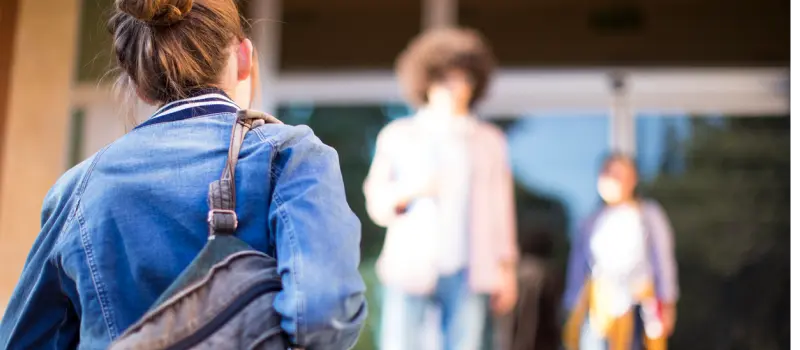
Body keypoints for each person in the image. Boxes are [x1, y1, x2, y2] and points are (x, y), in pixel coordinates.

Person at [0, 0, 366, 349]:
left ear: (137, 82)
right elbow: (321, 313)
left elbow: (23, 340)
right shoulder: (291, 155)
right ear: (243, 57)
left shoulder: (76, 189)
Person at [363, 27, 518, 350]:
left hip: (470, 268)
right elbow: (376, 203)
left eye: (464, 80)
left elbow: (501, 210)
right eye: (446, 80)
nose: (455, 88)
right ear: (426, 82)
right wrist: (410, 189)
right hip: (410, 265)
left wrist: (506, 270)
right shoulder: (399, 135)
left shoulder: (490, 141)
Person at [562, 153, 679, 350]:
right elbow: (578, 268)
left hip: (638, 303)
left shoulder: (648, 214)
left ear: (632, 179)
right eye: (607, 173)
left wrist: (666, 300)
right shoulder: (591, 221)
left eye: (618, 174)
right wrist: (571, 305)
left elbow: (663, 259)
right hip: (600, 306)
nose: (611, 179)